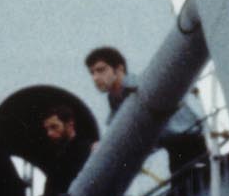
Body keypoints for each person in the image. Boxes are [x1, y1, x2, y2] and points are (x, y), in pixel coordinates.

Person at [84, 45, 208, 178]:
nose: (95, 78)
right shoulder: (116, 105)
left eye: (101, 70)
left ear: (119, 69)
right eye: (92, 73)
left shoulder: (142, 86)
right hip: (172, 151)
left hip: (190, 143)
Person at [33, 104, 95, 196]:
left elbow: (66, 189)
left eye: (54, 127)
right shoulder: (60, 153)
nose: (49, 133)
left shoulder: (82, 150)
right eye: (47, 129)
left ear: (69, 124)